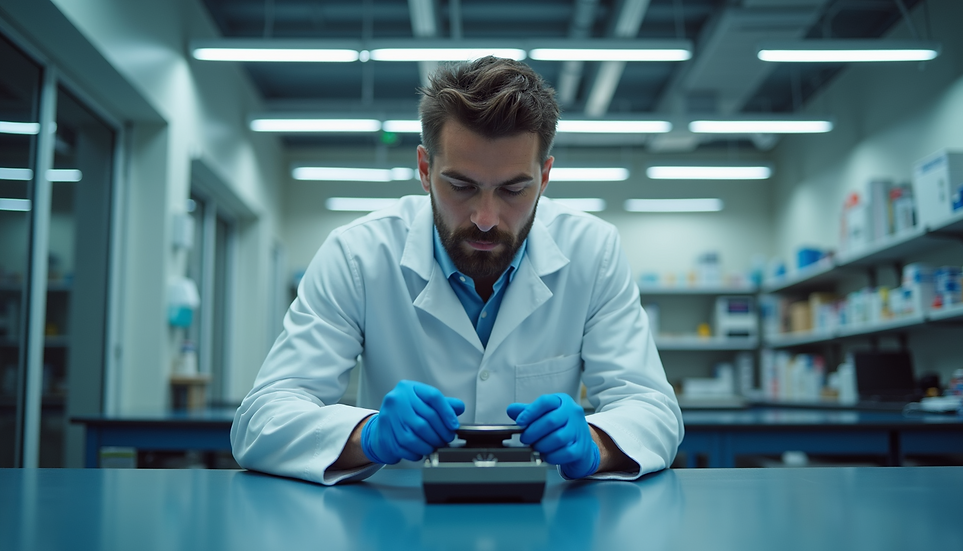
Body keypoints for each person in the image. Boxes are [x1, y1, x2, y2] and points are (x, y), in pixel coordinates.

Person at [231, 56, 683, 485]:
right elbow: (261, 420)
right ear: (426, 169)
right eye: (462, 186)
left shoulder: (593, 251)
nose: (485, 217)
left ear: (544, 178)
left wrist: (596, 442)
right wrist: (366, 436)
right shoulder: (358, 255)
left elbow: (653, 410)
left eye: (513, 190)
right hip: (393, 518)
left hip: (544, 518)